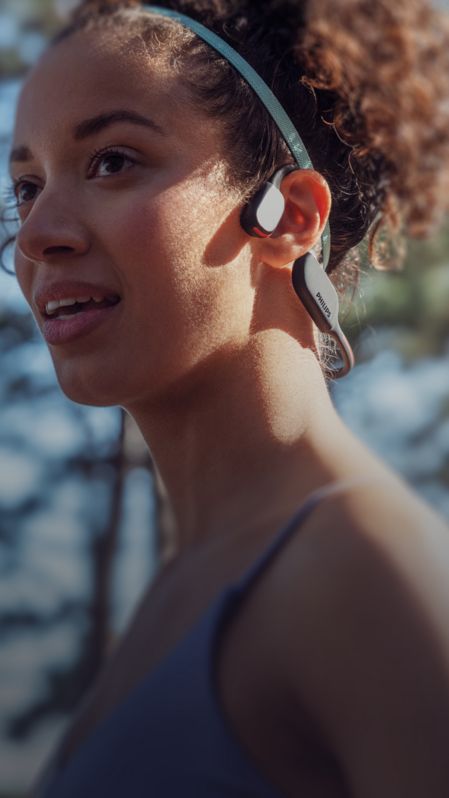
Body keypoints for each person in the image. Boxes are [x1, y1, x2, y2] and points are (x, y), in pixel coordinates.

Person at [5, 0, 449, 795]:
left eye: (111, 160)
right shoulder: (186, 590)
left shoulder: (356, 570)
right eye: (26, 185)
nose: (38, 232)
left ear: (290, 217)